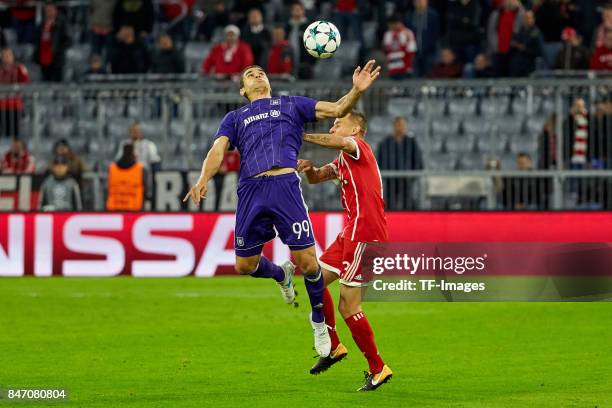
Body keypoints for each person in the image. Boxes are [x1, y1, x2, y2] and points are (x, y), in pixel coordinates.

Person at [183, 61, 381, 357]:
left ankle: (318, 324)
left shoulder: (290, 105)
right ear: (242, 89)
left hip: (284, 186)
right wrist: (203, 178)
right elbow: (218, 150)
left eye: (260, 72)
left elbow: (337, 109)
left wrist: (356, 90)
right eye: (249, 74)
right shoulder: (235, 118)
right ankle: (280, 276)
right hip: (251, 189)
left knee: (309, 263)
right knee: (244, 266)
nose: (256, 75)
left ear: (269, 82)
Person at [296, 111, 392, 391]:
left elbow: (338, 142)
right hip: (349, 233)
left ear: (357, 128)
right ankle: (335, 346)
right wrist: (310, 168)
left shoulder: (358, 147)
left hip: (365, 235)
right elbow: (316, 179)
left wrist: (298, 134)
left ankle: (378, 367)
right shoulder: (344, 160)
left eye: (339, 123)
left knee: (348, 305)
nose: (333, 125)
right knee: (314, 278)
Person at [377, 117, 423, 210]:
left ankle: (408, 221)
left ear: (406, 127)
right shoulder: (385, 142)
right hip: (390, 180)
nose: (400, 127)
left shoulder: (411, 142)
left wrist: (412, 176)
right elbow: (379, 160)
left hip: (407, 180)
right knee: (389, 205)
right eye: (398, 125)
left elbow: (418, 161)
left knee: (408, 204)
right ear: (393, 126)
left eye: (402, 125)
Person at [34, 1, 71, 82]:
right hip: (43, 57)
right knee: (45, 81)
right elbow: (37, 40)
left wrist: (58, 50)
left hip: (56, 59)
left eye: (50, 10)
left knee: (57, 83)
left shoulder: (62, 22)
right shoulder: (42, 23)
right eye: (46, 10)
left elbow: (68, 40)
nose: (48, 12)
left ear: (55, 10)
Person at [487, 0, 525, 77]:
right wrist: (495, 46)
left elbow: (524, 20)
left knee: (511, 73)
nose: (509, 2)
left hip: (512, 51)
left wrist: (520, 7)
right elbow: (491, 32)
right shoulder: (496, 14)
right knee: (498, 74)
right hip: (498, 50)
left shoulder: (518, 14)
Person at [0, 47, 30, 138]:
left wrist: (25, 73)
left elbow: (26, 85)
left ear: (13, 56)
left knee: (15, 135)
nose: (7, 57)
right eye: (5, 55)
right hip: (1, 106)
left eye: (9, 55)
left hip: (15, 106)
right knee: (3, 135)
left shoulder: (19, 69)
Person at [107, 143, 146, 211]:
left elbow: (107, 189)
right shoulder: (140, 169)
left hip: (114, 209)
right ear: (134, 153)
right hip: (134, 209)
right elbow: (146, 190)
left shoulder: (112, 168)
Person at [406, 0, 440, 77]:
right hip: (414, 51)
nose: (419, 2)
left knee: (430, 74)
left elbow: (437, 32)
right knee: (415, 74)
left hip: (430, 51)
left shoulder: (433, 15)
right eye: (417, 1)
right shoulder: (409, 15)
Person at [509, 10, 543, 77]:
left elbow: (539, 51)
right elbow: (513, 45)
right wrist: (515, 45)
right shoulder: (519, 31)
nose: (527, 20)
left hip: (530, 63)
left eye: (529, 18)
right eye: (525, 18)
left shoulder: (536, 33)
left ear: (533, 19)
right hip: (517, 64)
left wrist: (524, 48)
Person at [383, 13, 417, 79]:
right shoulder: (388, 34)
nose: (390, 27)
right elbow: (386, 51)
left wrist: (408, 68)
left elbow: (412, 52)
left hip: (405, 70)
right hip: (392, 69)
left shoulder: (408, 33)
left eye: (391, 25)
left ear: (398, 23)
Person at [446, 0, 481, 64]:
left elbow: (474, 24)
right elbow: (451, 22)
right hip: (456, 43)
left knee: (469, 68)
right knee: (456, 69)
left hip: (470, 44)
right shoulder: (454, 5)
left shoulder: (475, 5)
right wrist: (463, 20)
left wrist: (458, 20)